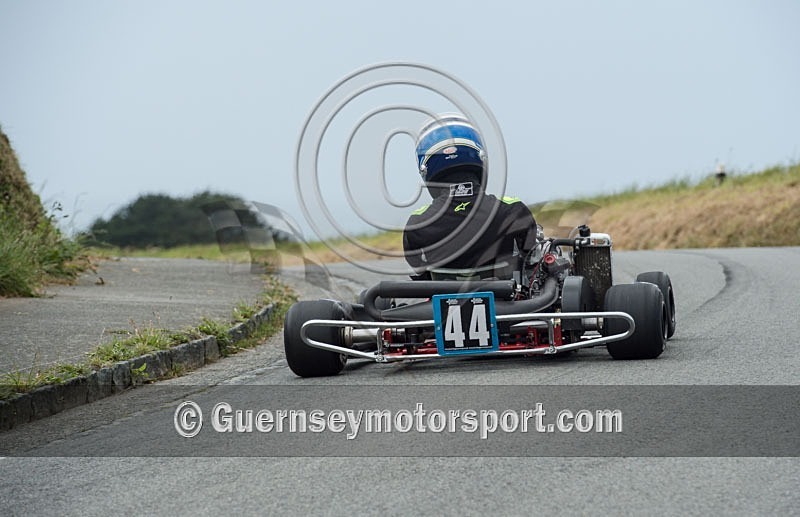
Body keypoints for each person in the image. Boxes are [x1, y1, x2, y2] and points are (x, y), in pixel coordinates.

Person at [403, 113, 539, 280]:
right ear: (479, 156)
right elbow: (532, 258)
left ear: (425, 167)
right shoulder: (512, 210)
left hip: (443, 299)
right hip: (508, 301)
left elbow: (420, 270)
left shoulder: (417, 224)